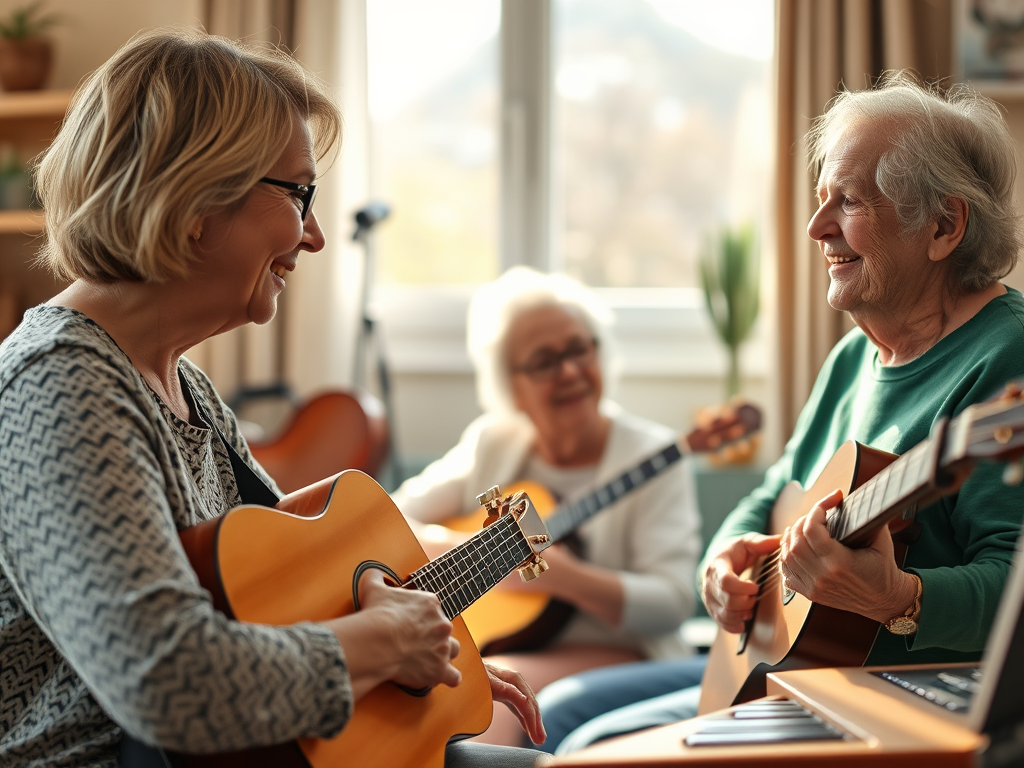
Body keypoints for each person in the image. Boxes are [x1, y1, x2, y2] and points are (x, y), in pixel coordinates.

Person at [0, 29, 547, 768]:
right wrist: (383, 643)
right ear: (193, 195)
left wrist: (419, 653)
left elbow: (294, 602)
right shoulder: (58, 384)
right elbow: (168, 682)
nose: (314, 235)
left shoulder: (179, 383)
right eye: (298, 194)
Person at [537, 70, 1024, 755]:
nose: (815, 227)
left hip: (897, 698)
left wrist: (899, 598)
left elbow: (1015, 589)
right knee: (561, 711)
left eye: (848, 202)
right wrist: (721, 562)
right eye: (821, 199)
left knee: (591, 748)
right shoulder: (853, 358)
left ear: (942, 226)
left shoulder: (1007, 356)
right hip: (788, 665)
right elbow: (775, 492)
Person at [391, 266, 703, 746]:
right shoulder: (492, 443)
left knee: (487, 698)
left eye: (580, 349)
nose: (571, 371)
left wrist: (561, 576)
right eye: (544, 361)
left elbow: (671, 604)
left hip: (624, 653)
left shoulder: (652, 456)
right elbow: (388, 518)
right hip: (501, 642)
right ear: (512, 385)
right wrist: (474, 554)